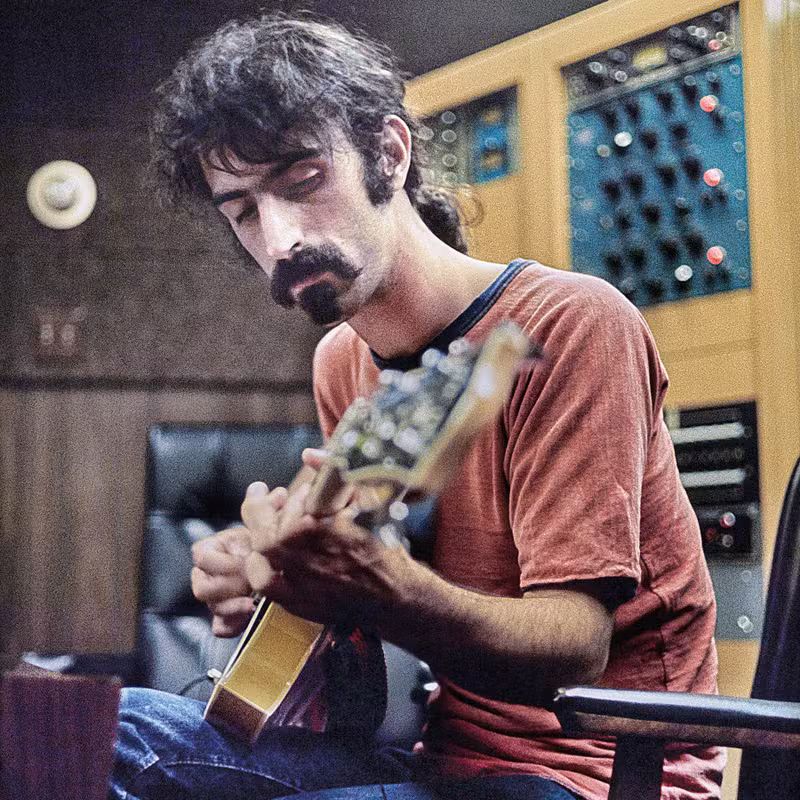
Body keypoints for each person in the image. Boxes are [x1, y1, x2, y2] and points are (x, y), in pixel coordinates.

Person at [111, 11, 724, 800]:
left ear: (389, 155)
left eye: (302, 180)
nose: (282, 235)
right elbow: (360, 708)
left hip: (594, 778)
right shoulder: (342, 361)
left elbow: (576, 646)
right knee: (105, 731)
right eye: (245, 212)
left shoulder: (570, 324)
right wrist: (291, 596)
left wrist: (381, 589)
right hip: (444, 765)